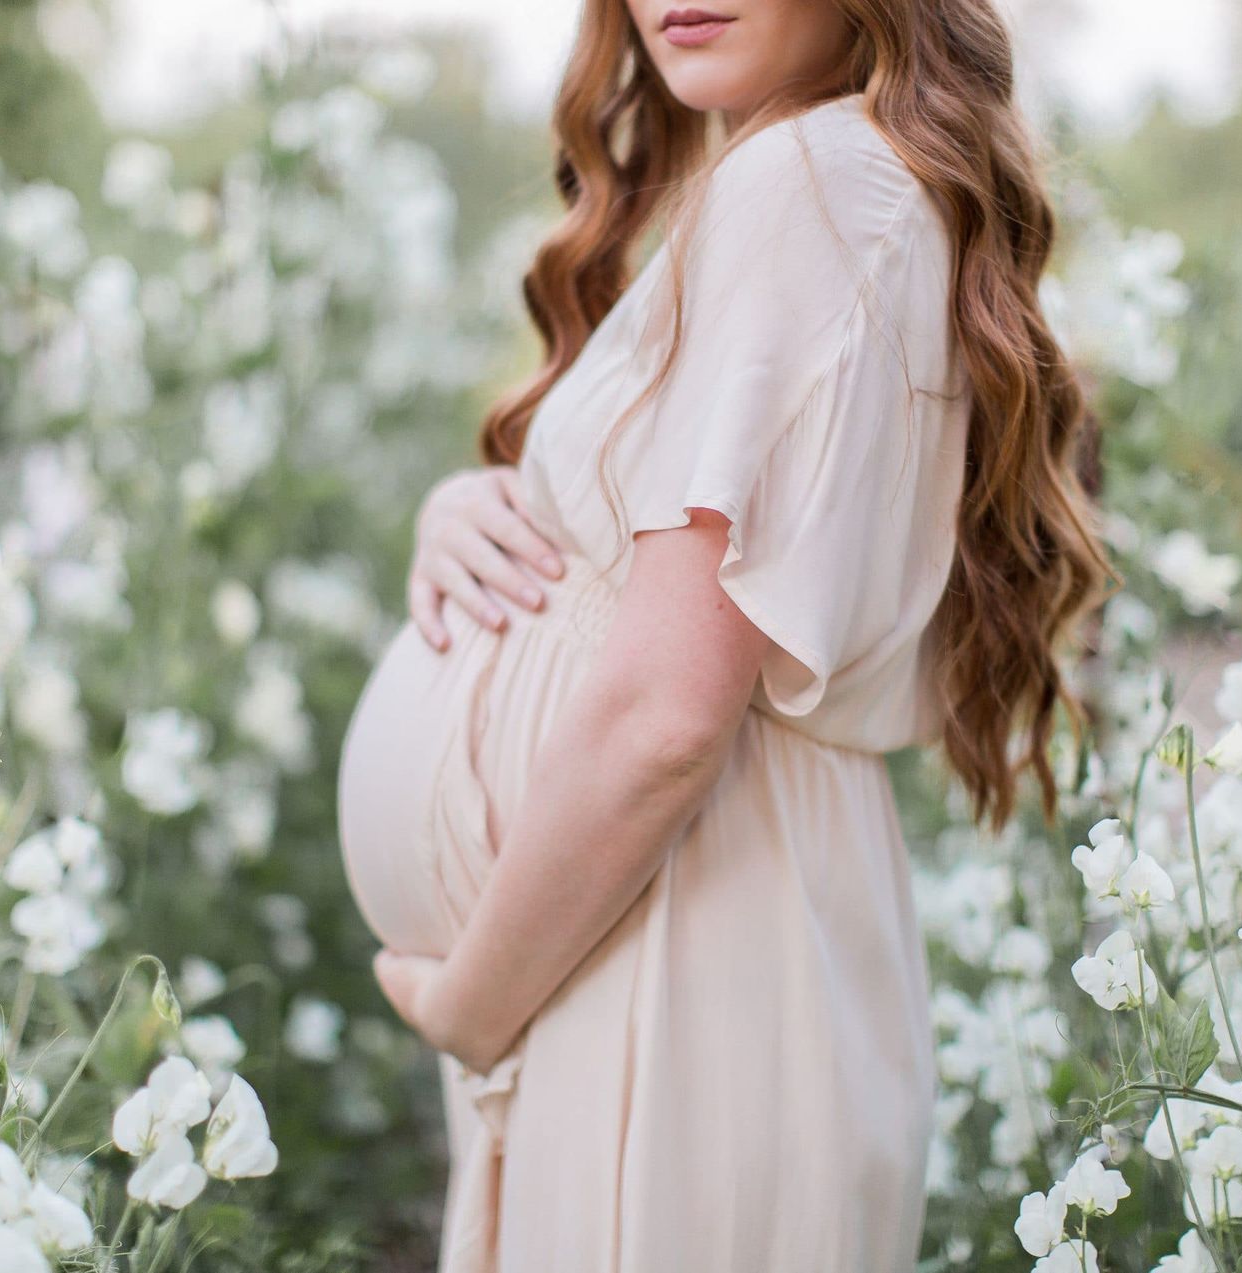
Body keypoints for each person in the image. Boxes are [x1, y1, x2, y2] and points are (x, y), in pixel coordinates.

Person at [334, 0, 1113, 1267]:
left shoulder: (811, 180)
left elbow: (664, 719)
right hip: (658, 948)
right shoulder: (831, 176)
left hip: (672, 954)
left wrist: (473, 1001)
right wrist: (471, 505)